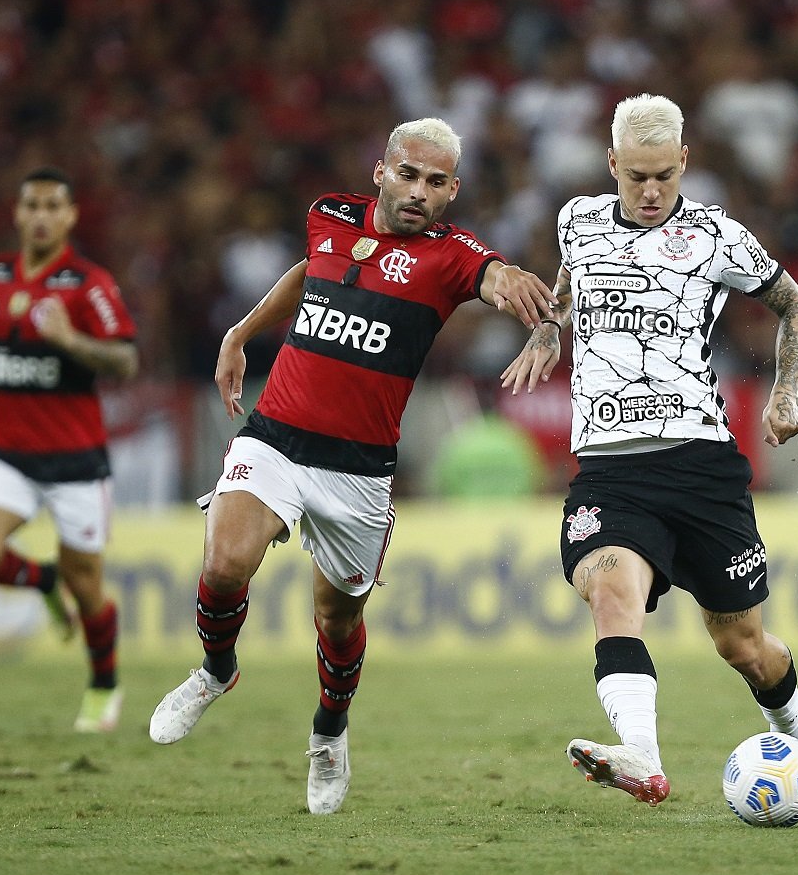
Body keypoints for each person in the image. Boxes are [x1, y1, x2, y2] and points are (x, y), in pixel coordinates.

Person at [147, 118, 556, 815]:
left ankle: (330, 730)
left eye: (435, 182)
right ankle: (216, 671)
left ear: (452, 190)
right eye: (408, 175)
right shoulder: (328, 216)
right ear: (380, 170)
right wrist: (243, 330)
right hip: (275, 435)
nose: (419, 191)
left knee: (336, 623)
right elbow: (312, 272)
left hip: (358, 470)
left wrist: (535, 311)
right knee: (224, 564)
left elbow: (499, 278)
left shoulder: (453, 255)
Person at [501, 94, 798, 806]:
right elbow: (567, 285)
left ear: (685, 162)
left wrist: (783, 392)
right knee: (612, 594)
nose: (649, 193)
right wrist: (550, 328)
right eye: (634, 176)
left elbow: (797, 306)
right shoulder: (577, 220)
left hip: (700, 463)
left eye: (663, 178)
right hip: (611, 471)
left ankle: (796, 741)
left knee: (743, 646)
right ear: (611, 163)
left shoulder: (717, 236)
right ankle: (641, 757)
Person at [0, 166, 139, 733]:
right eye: (32, 205)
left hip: (76, 461)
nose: (41, 216)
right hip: (8, 453)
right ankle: (42, 581)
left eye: (53, 206)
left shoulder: (89, 284)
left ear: (71, 216)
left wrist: (68, 341)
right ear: (17, 213)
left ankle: (104, 684)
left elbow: (126, 359)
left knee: (90, 588)